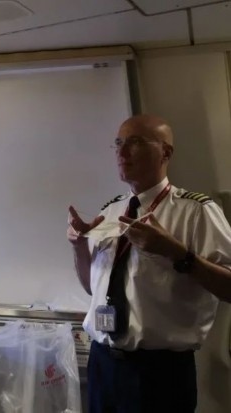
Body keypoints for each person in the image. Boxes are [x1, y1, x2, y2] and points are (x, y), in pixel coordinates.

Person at [67, 114, 231, 413]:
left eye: (135, 142)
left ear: (165, 153)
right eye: (118, 143)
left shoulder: (197, 211)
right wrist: (79, 246)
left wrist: (177, 253)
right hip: (103, 364)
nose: (121, 152)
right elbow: (93, 287)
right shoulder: (111, 210)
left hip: (159, 374)